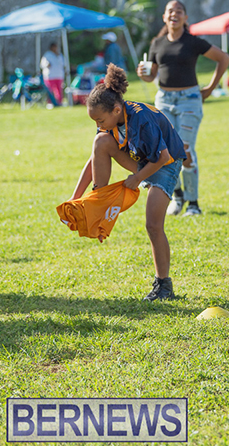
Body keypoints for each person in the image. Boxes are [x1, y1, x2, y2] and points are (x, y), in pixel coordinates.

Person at [69, 64, 187, 301]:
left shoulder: (141, 119)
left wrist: (137, 178)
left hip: (165, 163)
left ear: (115, 110)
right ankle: (99, 201)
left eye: (100, 120)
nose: (98, 125)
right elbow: (94, 157)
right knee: (100, 142)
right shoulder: (108, 124)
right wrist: (76, 196)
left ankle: (164, 285)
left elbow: (162, 157)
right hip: (142, 160)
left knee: (153, 225)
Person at [138, 0, 229, 217]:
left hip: (189, 99)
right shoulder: (157, 43)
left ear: (185, 18)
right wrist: (145, 75)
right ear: (164, 17)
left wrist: (208, 89)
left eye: (179, 11)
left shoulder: (193, 42)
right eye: (170, 11)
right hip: (164, 99)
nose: (174, 14)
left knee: (185, 149)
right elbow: (151, 74)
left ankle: (194, 203)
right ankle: (177, 196)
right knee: (166, 152)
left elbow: (223, 59)